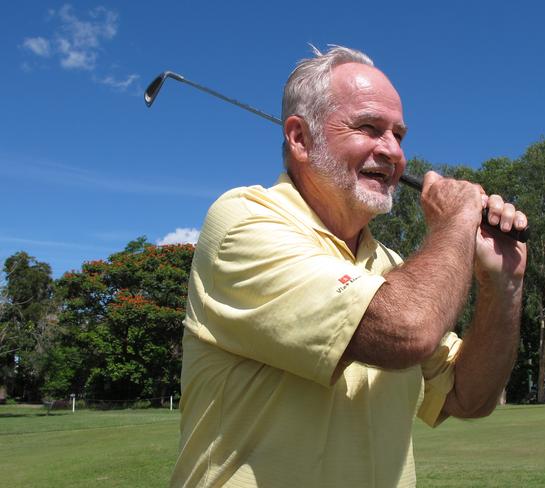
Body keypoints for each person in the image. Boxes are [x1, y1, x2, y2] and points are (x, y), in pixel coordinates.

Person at [170, 45, 527, 488]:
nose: (393, 152)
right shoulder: (242, 222)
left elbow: (467, 397)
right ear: (300, 138)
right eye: (369, 128)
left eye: (399, 134)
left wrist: (502, 285)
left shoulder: (391, 266)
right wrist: (456, 221)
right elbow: (408, 330)